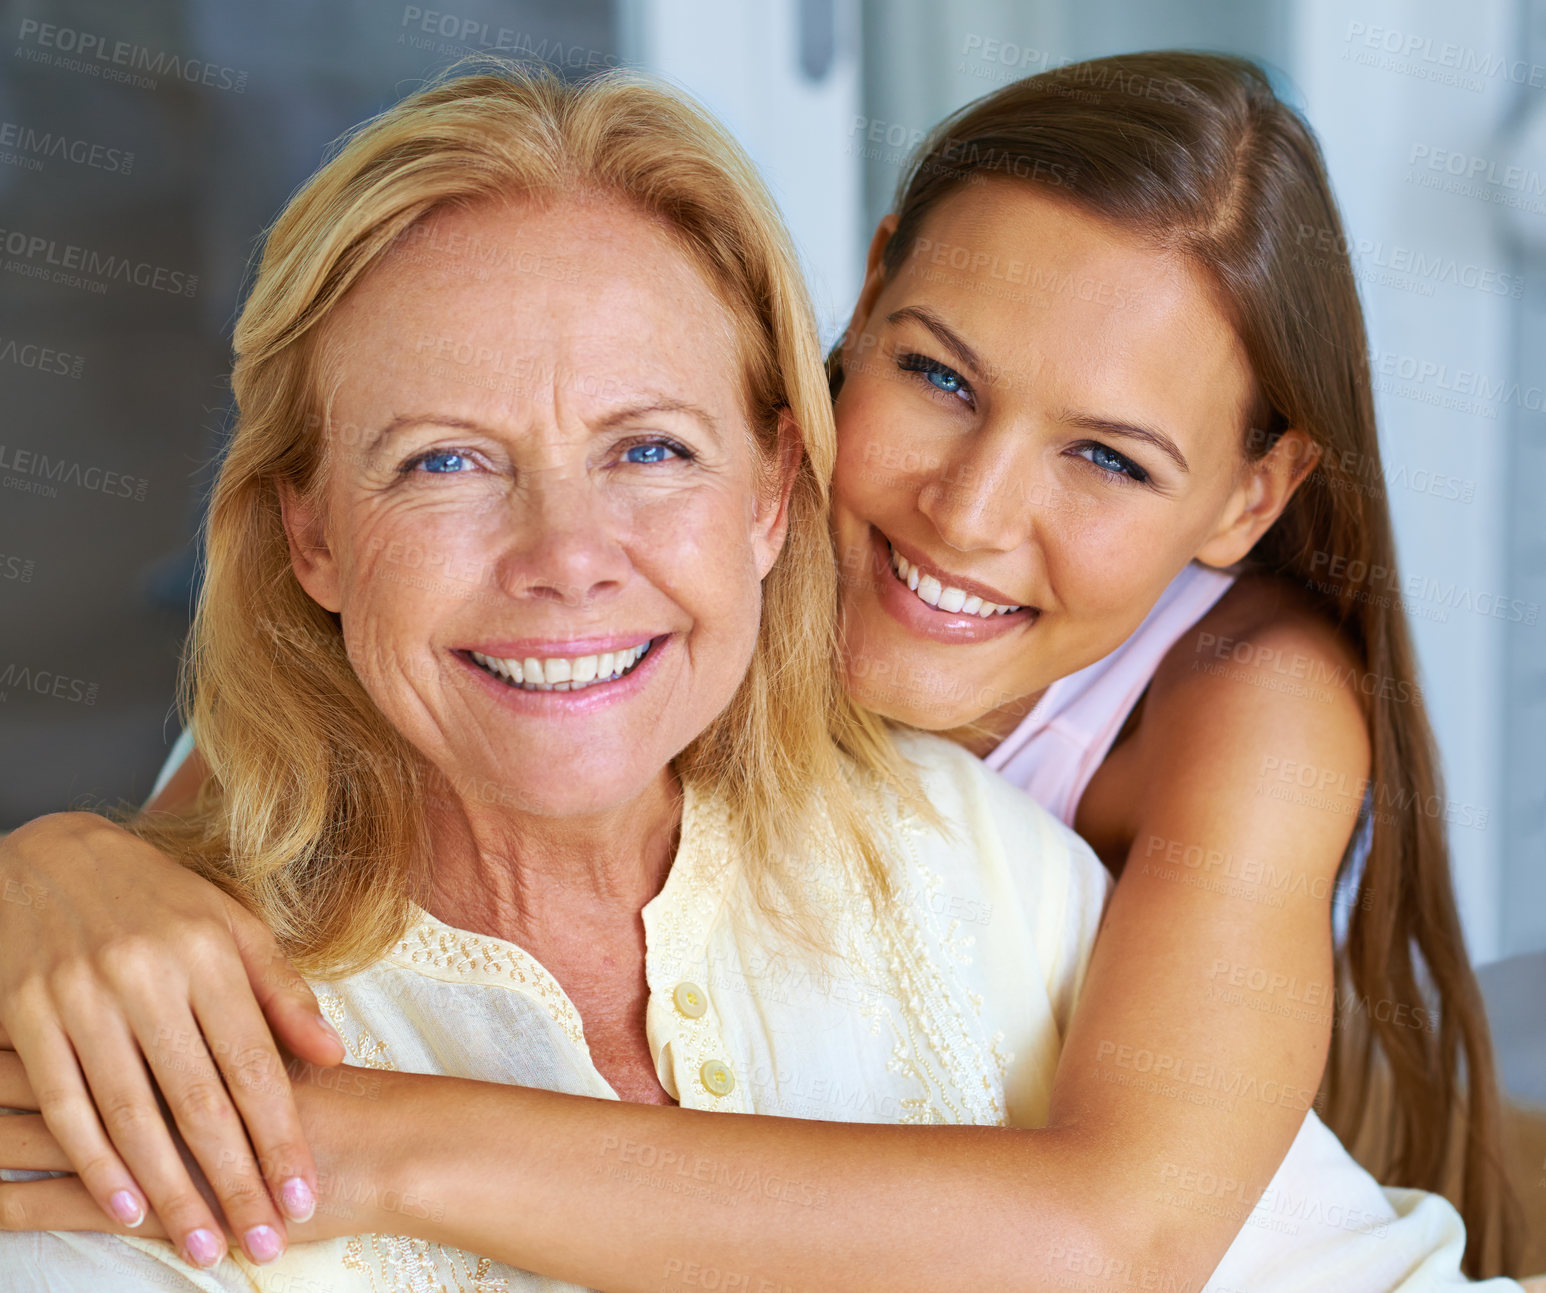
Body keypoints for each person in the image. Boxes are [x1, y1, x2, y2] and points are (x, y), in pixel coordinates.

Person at [0, 55, 1526, 1290]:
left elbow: (1119, 1236)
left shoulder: (1193, 742)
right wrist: (55, 874)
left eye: (650, 448)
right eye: (936, 376)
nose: (967, 514)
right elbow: (262, 786)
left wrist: (370, 1146)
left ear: (760, 492)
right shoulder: (564, 635)